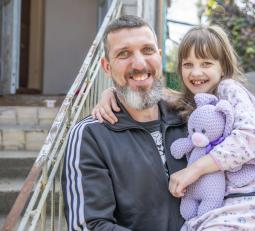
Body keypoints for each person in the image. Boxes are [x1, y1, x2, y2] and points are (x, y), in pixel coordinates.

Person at [93, 25, 255, 231]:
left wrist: (193, 171)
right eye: (188, 64)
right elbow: (154, 94)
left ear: (223, 67)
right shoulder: (194, 103)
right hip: (219, 208)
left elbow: (250, 139)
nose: (196, 72)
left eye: (206, 63)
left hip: (249, 202)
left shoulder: (229, 89)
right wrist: (112, 93)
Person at [61, 15, 188, 231]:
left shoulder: (192, 118)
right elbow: (90, 226)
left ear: (159, 57)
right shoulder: (91, 135)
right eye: (124, 54)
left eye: (147, 50)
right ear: (107, 67)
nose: (139, 64)